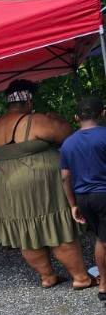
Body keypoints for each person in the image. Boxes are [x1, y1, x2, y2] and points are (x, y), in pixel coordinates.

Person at [0, 79, 93, 290]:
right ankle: (81, 278)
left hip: (5, 185)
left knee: (26, 233)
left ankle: (47, 277)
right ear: (28, 101)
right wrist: (58, 119)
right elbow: (66, 135)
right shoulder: (36, 120)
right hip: (37, 183)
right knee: (58, 229)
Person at [60, 96, 106, 300]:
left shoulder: (68, 144)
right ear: (103, 113)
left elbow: (65, 177)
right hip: (104, 194)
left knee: (101, 238)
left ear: (76, 117)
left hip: (83, 197)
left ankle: (104, 284)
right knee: (103, 240)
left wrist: (72, 205)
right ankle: (104, 285)